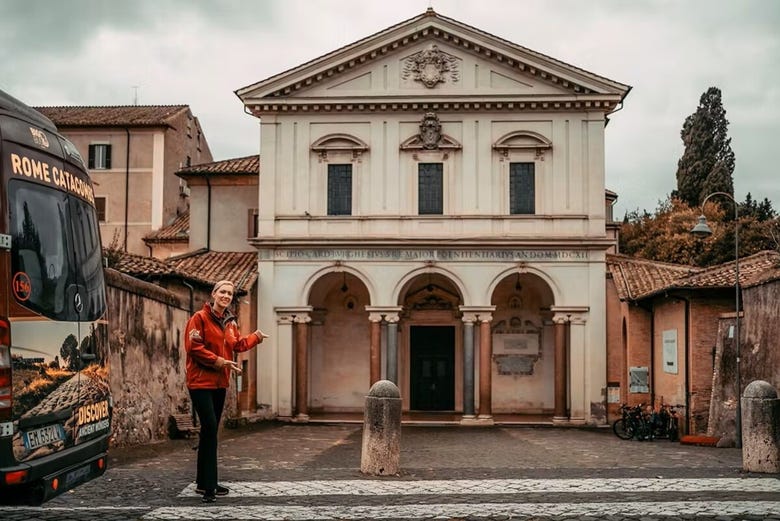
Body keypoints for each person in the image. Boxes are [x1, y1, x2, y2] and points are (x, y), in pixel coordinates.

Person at [184, 279, 268, 503]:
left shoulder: (230, 322)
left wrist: (255, 338)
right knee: (210, 428)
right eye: (222, 292)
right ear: (213, 293)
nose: (226, 296)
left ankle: (203, 482)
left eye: (229, 294)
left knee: (210, 431)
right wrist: (219, 362)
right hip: (200, 383)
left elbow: (237, 345)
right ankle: (210, 487)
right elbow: (193, 348)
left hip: (220, 384)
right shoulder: (199, 318)